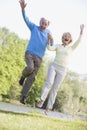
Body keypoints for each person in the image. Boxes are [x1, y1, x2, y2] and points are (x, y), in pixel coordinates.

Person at [37, 24, 84, 115]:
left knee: (55, 88)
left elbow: (79, 41)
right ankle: (42, 99)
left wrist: (81, 31)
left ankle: (48, 108)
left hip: (63, 70)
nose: (66, 37)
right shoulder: (58, 46)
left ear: (70, 40)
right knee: (49, 83)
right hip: (54, 66)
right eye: (65, 36)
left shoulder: (71, 48)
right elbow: (49, 48)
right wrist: (49, 40)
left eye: (68, 37)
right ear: (62, 38)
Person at [19, 0, 54, 104]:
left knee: (32, 78)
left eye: (45, 23)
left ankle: (23, 97)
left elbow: (50, 46)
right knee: (30, 68)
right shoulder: (34, 27)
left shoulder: (49, 33)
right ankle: (22, 76)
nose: (44, 24)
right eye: (42, 23)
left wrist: (51, 40)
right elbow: (26, 19)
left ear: (48, 25)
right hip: (29, 53)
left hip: (39, 58)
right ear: (40, 23)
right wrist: (23, 9)